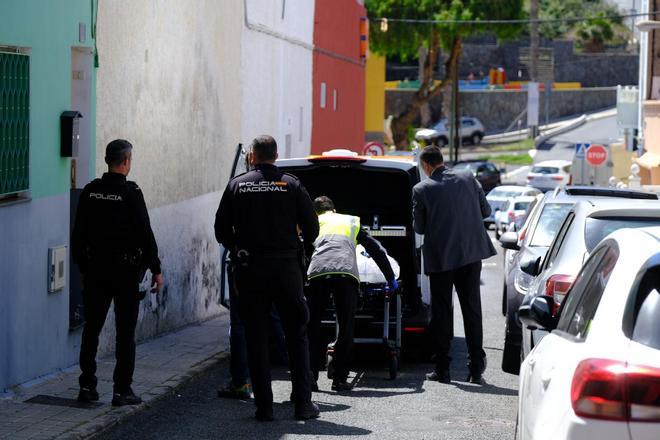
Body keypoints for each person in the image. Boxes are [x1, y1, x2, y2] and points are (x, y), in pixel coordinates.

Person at [214, 135, 320, 421]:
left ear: (252, 155)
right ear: (276, 155)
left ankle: (264, 408)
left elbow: (221, 231)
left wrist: (240, 246)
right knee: (297, 335)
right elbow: (312, 230)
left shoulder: (237, 184)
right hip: (287, 269)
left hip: (251, 270)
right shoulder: (292, 184)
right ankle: (303, 404)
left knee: (256, 338)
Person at [72, 139, 164, 406]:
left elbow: (78, 236)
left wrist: (86, 268)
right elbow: (145, 234)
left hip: (96, 272)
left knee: (92, 330)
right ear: (125, 162)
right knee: (125, 334)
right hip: (125, 274)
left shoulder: (90, 191)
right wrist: (156, 269)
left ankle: (87, 387)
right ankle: (122, 390)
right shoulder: (131, 192)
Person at [412, 146, 496, 384]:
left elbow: (419, 227)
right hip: (470, 254)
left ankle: (442, 369)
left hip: (441, 258)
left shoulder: (421, 189)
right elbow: (486, 210)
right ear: (441, 160)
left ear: (426, 166)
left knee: (441, 313)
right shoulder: (468, 177)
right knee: (472, 310)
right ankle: (476, 368)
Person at [307, 196, 398, 391]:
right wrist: (390, 278)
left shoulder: (313, 222)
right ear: (334, 209)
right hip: (345, 273)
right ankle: (339, 380)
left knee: (312, 326)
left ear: (316, 212)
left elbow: (301, 249)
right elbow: (375, 250)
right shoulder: (350, 221)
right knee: (347, 326)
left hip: (318, 274)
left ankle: (310, 378)